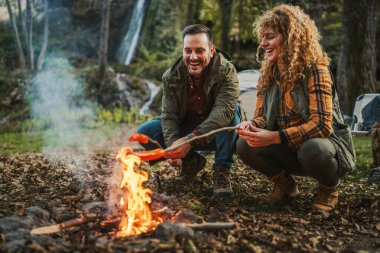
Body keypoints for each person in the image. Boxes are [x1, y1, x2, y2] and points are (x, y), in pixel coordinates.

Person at [236, 4, 355, 212]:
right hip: (290, 148)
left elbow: (322, 126)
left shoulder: (316, 70)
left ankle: (329, 187)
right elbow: (262, 117)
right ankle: (285, 184)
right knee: (244, 144)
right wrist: (252, 124)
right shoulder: (268, 73)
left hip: (324, 148)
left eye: (270, 37)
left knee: (313, 149)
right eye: (262, 37)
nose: (263, 43)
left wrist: (275, 137)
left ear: (290, 38)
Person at [137, 24, 242, 197]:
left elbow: (223, 111)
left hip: (219, 133)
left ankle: (222, 170)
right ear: (183, 51)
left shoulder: (227, 71)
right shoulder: (170, 76)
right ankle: (191, 162)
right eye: (188, 51)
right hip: (188, 126)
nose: (193, 57)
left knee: (231, 112)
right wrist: (173, 146)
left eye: (200, 50)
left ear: (211, 50)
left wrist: (189, 140)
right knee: (145, 132)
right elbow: (169, 115)